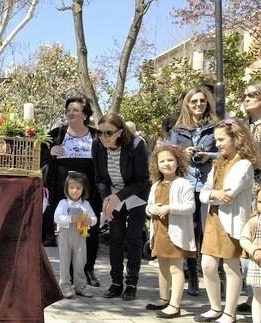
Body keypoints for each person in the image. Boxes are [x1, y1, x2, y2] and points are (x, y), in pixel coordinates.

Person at [194, 118, 260, 323]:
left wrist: (213, 194)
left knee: (231, 267)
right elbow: (204, 194)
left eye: (222, 139)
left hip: (232, 222)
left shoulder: (244, 165)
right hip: (213, 219)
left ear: (236, 138)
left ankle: (229, 312)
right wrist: (215, 194)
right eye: (216, 140)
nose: (218, 144)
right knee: (207, 265)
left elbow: (229, 193)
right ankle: (215, 307)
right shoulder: (218, 163)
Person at [40, 96, 102, 287]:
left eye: (75, 110)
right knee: (67, 229)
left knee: (89, 229)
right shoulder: (56, 133)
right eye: (68, 109)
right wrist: (50, 152)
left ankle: (87, 269)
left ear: (85, 114)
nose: (70, 113)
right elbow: (39, 155)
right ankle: (68, 272)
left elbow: (105, 159)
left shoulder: (96, 135)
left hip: (89, 189)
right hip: (63, 189)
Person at [92, 112, 150, 301]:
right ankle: (116, 282)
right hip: (113, 194)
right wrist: (107, 198)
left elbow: (142, 180)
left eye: (108, 133)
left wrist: (118, 197)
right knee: (115, 238)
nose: (103, 137)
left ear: (120, 132)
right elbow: (99, 178)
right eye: (99, 133)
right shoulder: (97, 145)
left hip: (135, 195)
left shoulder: (136, 145)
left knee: (133, 238)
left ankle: (131, 283)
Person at [170, 85, 219, 296]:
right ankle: (192, 276)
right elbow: (168, 156)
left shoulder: (216, 126)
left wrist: (210, 156)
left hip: (209, 184)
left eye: (202, 100)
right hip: (187, 186)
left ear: (207, 102)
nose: (198, 104)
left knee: (209, 232)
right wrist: (184, 154)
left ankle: (214, 277)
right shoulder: (178, 129)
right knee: (190, 232)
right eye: (193, 101)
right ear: (187, 105)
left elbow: (227, 151)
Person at [145, 144, 196, 319]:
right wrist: (151, 209)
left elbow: (190, 207)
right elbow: (149, 206)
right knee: (162, 266)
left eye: (170, 160)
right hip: (159, 231)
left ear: (178, 162)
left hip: (175, 233)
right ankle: (163, 298)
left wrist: (169, 208)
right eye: (162, 161)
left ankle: (175, 305)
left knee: (175, 268)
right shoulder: (156, 184)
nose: (166, 164)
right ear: (156, 164)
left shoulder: (183, 184)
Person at [54, 171, 96, 299]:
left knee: (80, 261)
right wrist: (72, 218)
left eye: (78, 188)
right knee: (65, 261)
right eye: (71, 188)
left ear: (83, 189)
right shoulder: (63, 203)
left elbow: (94, 218)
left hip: (80, 236)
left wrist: (90, 220)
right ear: (66, 189)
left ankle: (80, 286)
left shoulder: (85, 204)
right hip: (65, 234)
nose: (75, 191)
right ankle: (65, 285)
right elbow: (57, 218)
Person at [240, 79, 261, 313]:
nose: (246, 98)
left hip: (260, 186)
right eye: (244, 95)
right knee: (248, 239)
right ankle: (252, 296)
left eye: (252, 94)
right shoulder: (243, 126)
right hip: (247, 189)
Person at [240, 188, 261, 323]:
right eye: (260, 201)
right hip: (257, 265)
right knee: (258, 298)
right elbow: (244, 239)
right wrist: (253, 250)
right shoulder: (254, 221)